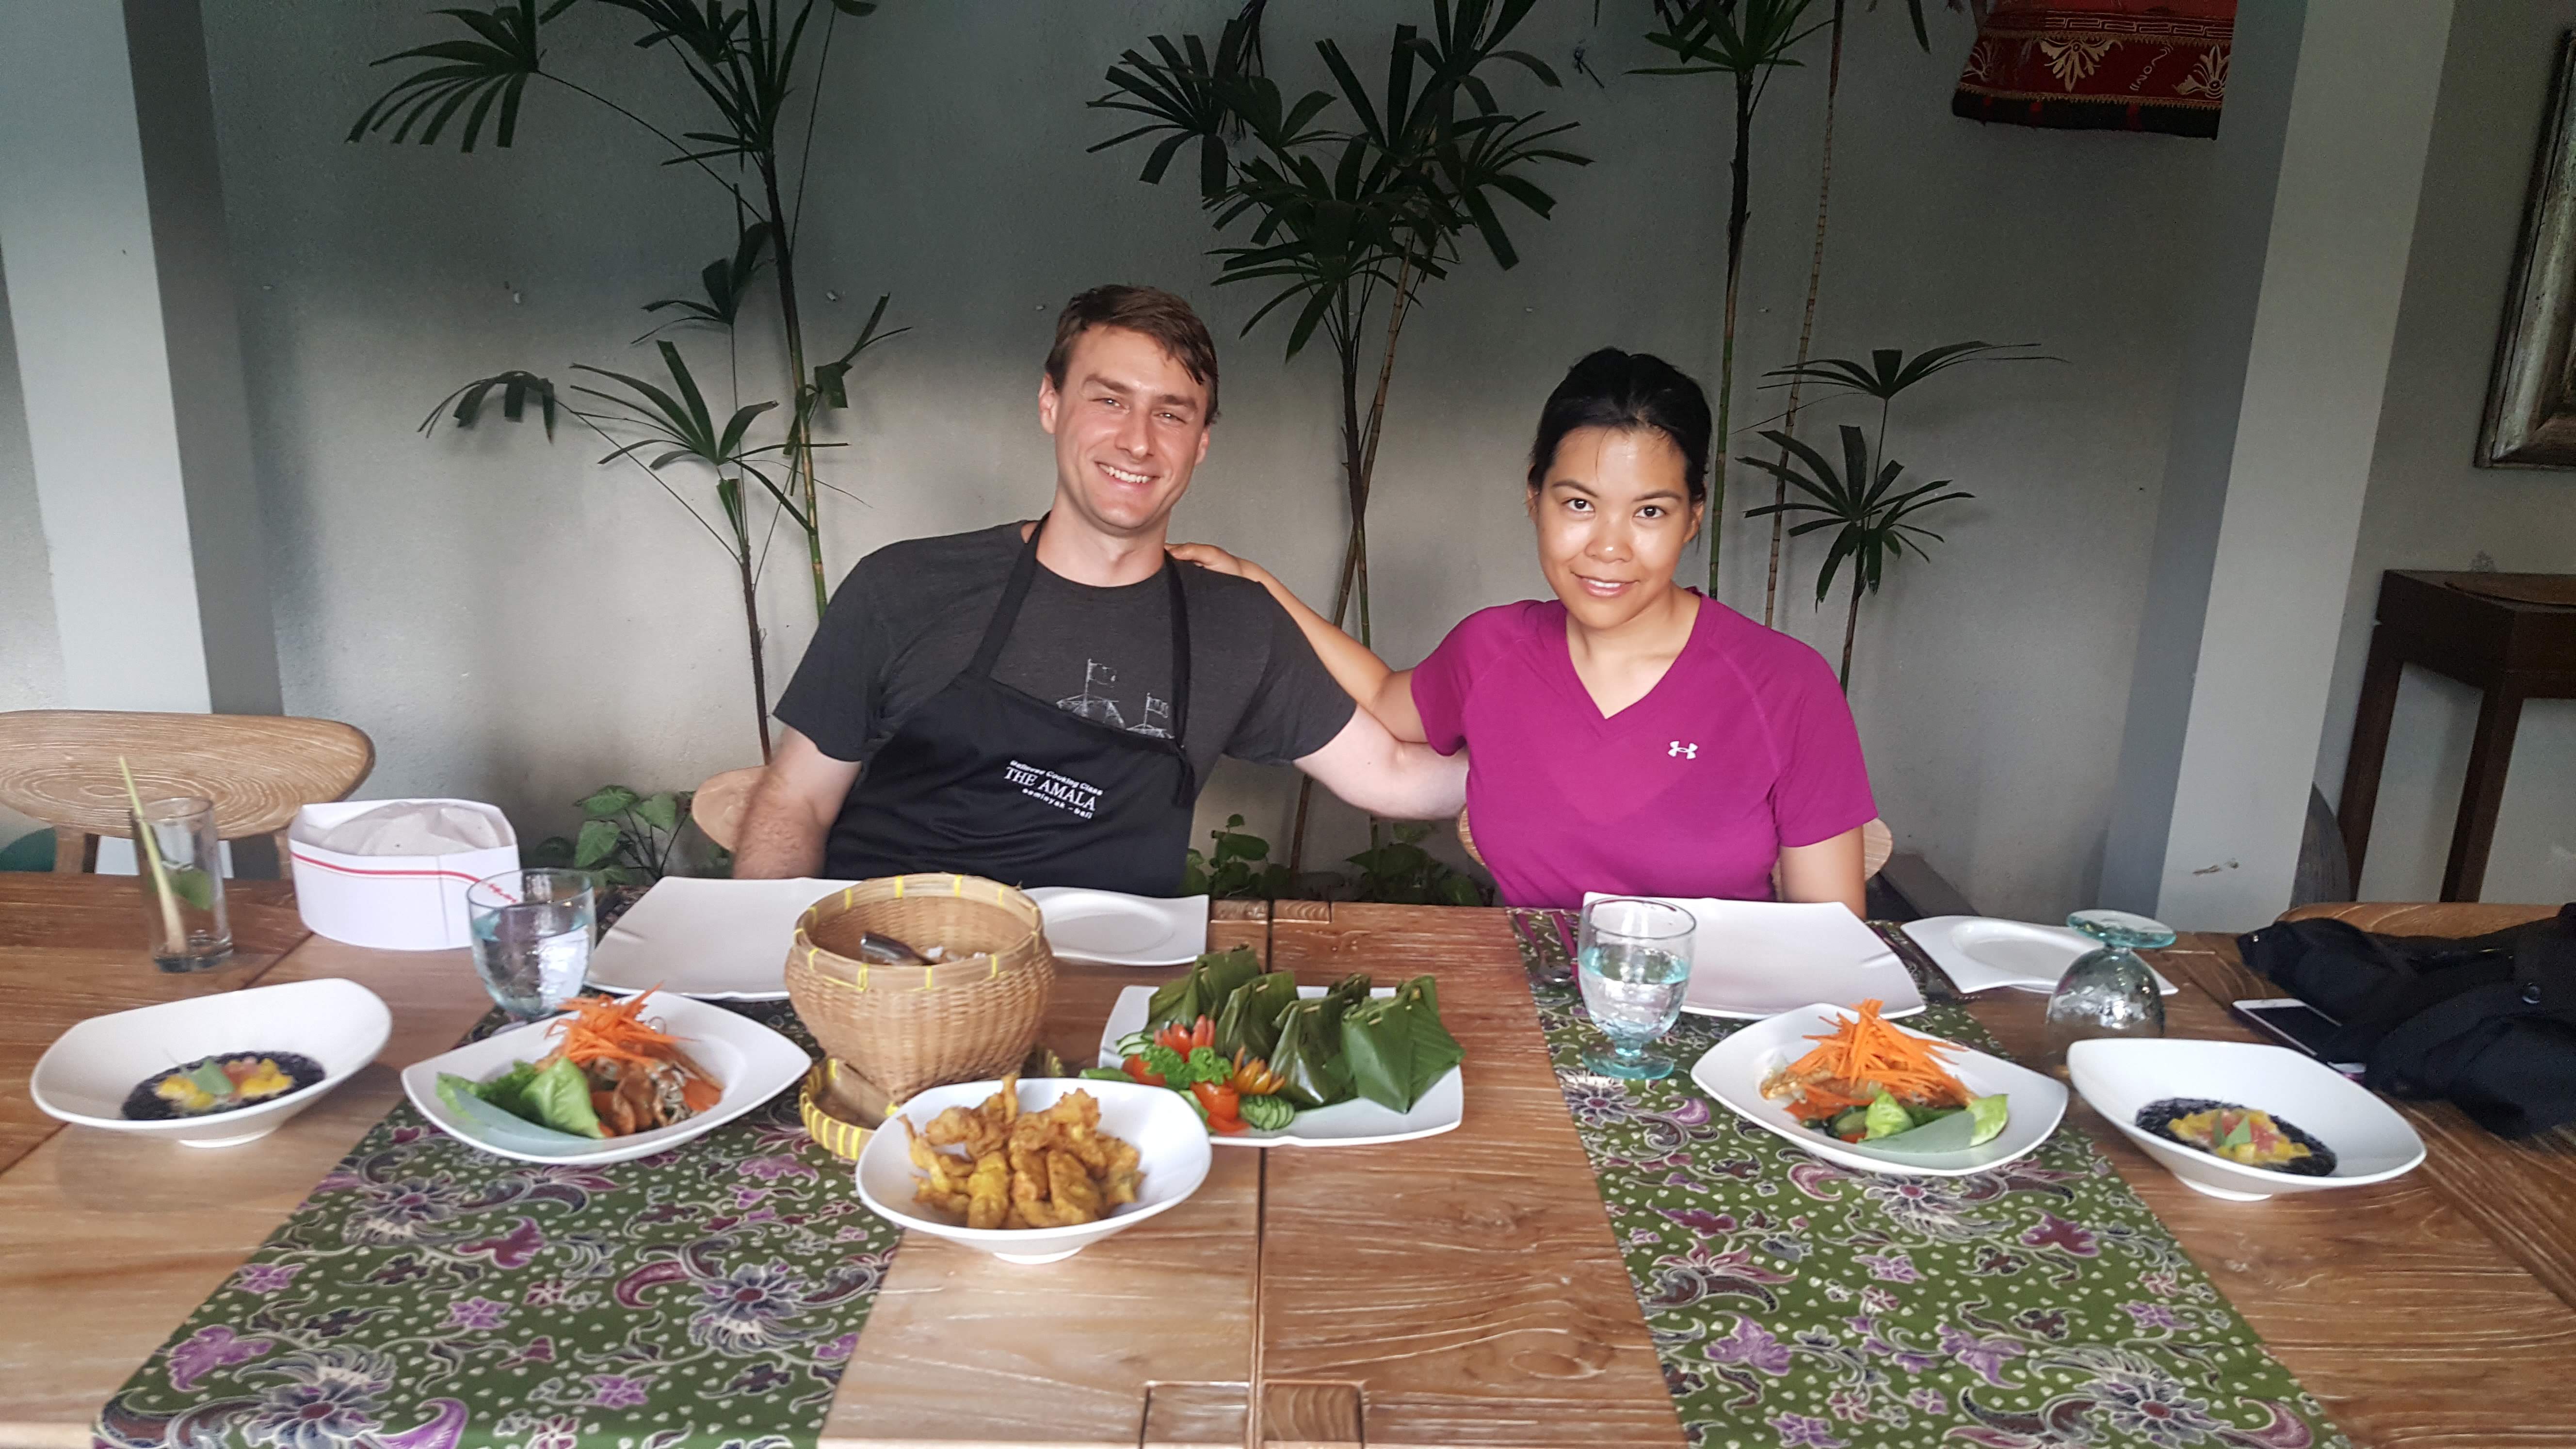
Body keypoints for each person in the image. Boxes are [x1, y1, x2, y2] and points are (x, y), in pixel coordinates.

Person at [731, 285, 1465, 891]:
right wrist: (772, 967)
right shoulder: (905, 587)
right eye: (1110, 401)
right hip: (888, 979)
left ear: (1201, 444)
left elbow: (1394, 775)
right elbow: (796, 800)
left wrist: (1544, 762)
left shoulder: (1236, 627)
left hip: (1108, 991)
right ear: (1050, 404)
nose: (1138, 441)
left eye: (1171, 414)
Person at [1172, 347, 1875, 914]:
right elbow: (1384, 696)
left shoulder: (1785, 686)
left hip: (1721, 1029)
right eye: (1580, 504)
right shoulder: (1492, 652)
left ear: (1694, 516)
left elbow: (1829, 943)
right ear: (1535, 498)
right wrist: (1256, 585)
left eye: (1650, 512)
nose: (1609, 547)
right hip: (1526, 1011)